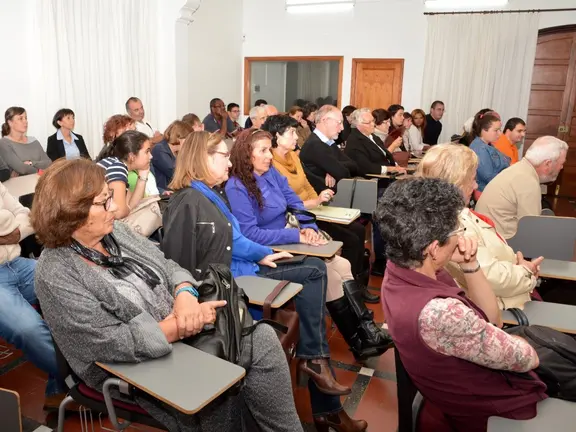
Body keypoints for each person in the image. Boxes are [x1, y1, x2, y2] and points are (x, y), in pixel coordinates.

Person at [31, 158, 303, 432]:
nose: (114, 207)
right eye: (104, 202)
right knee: (220, 386)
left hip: (181, 334)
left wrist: (185, 294)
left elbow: (170, 265)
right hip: (129, 364)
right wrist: (179, 326)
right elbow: (109, 344)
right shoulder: (56, 272)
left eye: (110, 196)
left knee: (262, 340)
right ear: (72, 213)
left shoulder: (117, 233)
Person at [161, 131, 366, 431]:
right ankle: (318, 368)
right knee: (314, 270)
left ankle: (319, 370)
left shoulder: (209, 193)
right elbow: (178, 266)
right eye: (222, 156)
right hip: (225, 289)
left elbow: (238, 239)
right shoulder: (190, 200)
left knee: (315, 271)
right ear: (202, 159)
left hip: (241, 271)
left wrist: (261, 254)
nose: (229, 163)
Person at [375, 177, 546, 432]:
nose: (462, 236)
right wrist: (523, 343)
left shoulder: (401, 269)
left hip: (453, 394)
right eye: (458, 230)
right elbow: (526, 359)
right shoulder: (442, 313)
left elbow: (491, 319)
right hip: (490, 407)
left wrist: (469, 263)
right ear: (433, 248)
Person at [264, 114, 389, 307]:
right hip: (298, 215)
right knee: (351, 239)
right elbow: (285, 202)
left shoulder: (292, 157)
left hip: (310, 209)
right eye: (291, 133)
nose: (297, 137)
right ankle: (346, 292)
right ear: (276, 136)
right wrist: (314, 202)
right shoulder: (271, 164)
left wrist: (318, 199)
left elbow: (306, 183)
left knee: (356, 231)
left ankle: (354, 286)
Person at [417, 144, 542, 309]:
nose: (476, 186)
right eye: (472, 180)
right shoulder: (454, 225)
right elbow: (491, 278)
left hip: (506, 294)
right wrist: (526, 271)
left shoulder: (439, 215)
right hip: (501, 308)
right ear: (456, 183)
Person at [0, 181, 62, 408]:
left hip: (17, 262)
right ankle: (81, 381)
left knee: (71, 287)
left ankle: (59, 388)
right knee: (28, 329)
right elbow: (12, 216)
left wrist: (13, 234)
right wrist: (7, 220)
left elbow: (26, 216)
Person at [345, 108, 407, 278]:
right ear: (359, 125)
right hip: (369, 186)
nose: (373, 124)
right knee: (385, 215)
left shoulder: (372, 138)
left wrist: (395, 168)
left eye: (373, 121)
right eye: (369, 122)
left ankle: (396, 254)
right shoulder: (355, 141)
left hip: (384, 182)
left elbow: (387, 156)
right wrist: (389, 168)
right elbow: (363, 167)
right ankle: (380, 260)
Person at [476, 136, 568, 239]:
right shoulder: (528, 181)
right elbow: (531, 230)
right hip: (500, 241)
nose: (561, 167)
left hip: (488, 233)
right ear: (547, 164)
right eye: (561, 163)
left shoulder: (520, 169)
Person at [299, 105, 358, 193]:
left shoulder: (328, 142)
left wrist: (332, 170)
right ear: (325, 121)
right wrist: (336, 169)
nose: (342, 128)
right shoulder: (315, 145)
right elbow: (343, 174)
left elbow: (354, 166)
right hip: (324, 198)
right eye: (339, 122)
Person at [96, 130, 153, 219]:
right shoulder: (117, 167)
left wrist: (143, 174)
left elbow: (132, 204)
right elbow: (119, 213)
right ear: (131, 156)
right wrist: (127, 209)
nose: (151, 156)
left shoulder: (117, 164)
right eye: (147, 152)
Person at [0, 106, 52, 176]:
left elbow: (49, 163)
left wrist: (31, 163)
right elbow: (22, 169)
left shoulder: (33, 140)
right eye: (20, 118)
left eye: (26, 118)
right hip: (19, 184)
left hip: (40, 181)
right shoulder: (4, 143)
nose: (25, 121)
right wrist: (40, 170)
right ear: (10, 122)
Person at [469, 112, 509, 191]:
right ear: (484, 130)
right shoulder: (480, 149)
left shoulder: (488, 145)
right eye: (496, 130)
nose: (500, 134)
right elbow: (489, 177)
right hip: (487, 190)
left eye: (500, 130)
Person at [152, 120, 194, 191]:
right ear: (179, 138)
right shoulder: (159, 149)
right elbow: (175, 173)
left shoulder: (177, 152)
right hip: (165, 195)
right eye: (188, 140)